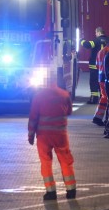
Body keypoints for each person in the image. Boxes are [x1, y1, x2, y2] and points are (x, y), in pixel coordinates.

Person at [27, 72, 77, 201]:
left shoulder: (38, 96)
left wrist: (31, 135)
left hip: (43, 136)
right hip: (60, 135)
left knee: (46, 163)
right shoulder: (64, 94)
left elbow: (33, 118)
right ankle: (71, 191)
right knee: (66, 161)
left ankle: (51, 192)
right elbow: (69, 112)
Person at [81, 26, 107, 104]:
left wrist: (81, 40)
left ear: (99, 32)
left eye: (96, 32)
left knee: (94, 81)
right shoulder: (108, 41)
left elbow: (87, 45)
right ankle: (104, 98)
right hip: (105, 66)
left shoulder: (96, 40)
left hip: (95, 66)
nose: (95, 34)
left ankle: (94, 99)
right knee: (103, 82)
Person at [92, 38, 109, 126]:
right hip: (107, 78)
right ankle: (99, 117)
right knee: (108, 97)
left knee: (106, 97)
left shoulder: (100, 51)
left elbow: (97, 65)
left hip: (101, 77)